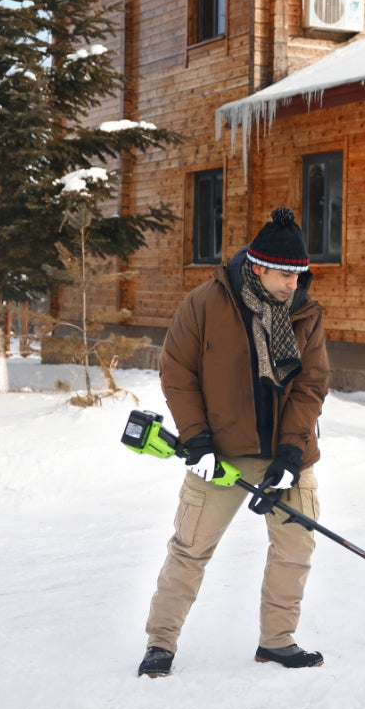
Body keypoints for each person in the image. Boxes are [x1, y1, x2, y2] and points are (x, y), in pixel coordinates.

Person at [137, 207, 329, 678]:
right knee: (190, 548)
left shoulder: (304, 312)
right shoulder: (205, 304)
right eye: (285, 275)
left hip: (287, 454)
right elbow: (177, 373)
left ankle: (277, 641)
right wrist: (197, 439)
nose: (294, 285)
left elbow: (310, 385)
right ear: (258, 268)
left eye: (299, 275)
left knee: (294, 550)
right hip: (220, 453)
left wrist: (291, 453)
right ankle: (160, 643)